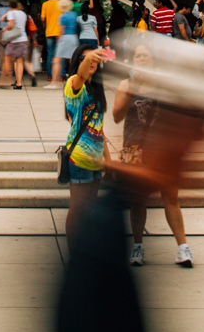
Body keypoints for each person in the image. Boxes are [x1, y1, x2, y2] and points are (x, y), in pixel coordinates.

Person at [114, 44, 192, 269]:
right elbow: (117, 116)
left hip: (162, 151)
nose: (141, 59)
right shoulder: (125, 84)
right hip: (135, 151)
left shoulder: (165, 85)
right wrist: (132, 91)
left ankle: (182, 247)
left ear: (154, 60)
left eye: (146, 56)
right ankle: (137, 246)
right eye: (138, 56)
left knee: (172, 198)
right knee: (138, 201)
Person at [63, 46, 109, 250]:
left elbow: (99, 127)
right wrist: (88, 58)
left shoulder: (96, 89)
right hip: (80, 157)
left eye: (94, 58)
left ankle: (85, 251)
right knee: (78, 209)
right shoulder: (73, 84)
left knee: (90, 209)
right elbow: (80, 75)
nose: (90, 62)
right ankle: (74, 254)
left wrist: (108, 159)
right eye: (84, 58)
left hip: (96, 159)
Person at [0, 0, 29, 89]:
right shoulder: (23, 13)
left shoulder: (11, 13)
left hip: (13, 40)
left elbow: (4, 21)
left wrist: (5, 29)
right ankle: (19, 83)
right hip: (23, 39)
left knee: (7, 59)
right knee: (19, 61)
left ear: (9, 5)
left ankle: (5, 80)